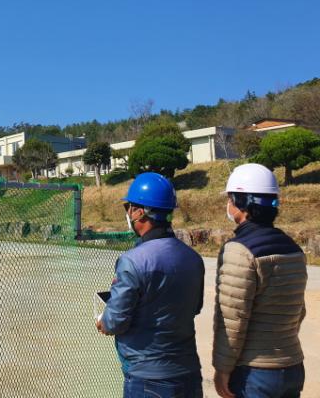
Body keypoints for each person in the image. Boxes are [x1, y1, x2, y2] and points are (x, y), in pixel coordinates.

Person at [96, 172, 205, 398]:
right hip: (188, 374)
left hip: (148, 380)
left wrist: (103, 321)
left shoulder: (132, 261)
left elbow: (115, 322)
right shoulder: (193, 258)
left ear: (139, 212)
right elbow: (194, 308)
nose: (128, 213)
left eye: (129, 207)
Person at [213, 163, 307, 398]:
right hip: (292, 366)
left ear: (242, 203)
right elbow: (298, 311)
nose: (228, 204)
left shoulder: (239, 250)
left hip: (255, 373)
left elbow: (232, 320)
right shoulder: (293, 248)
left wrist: (223, 369)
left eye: (230, 199)